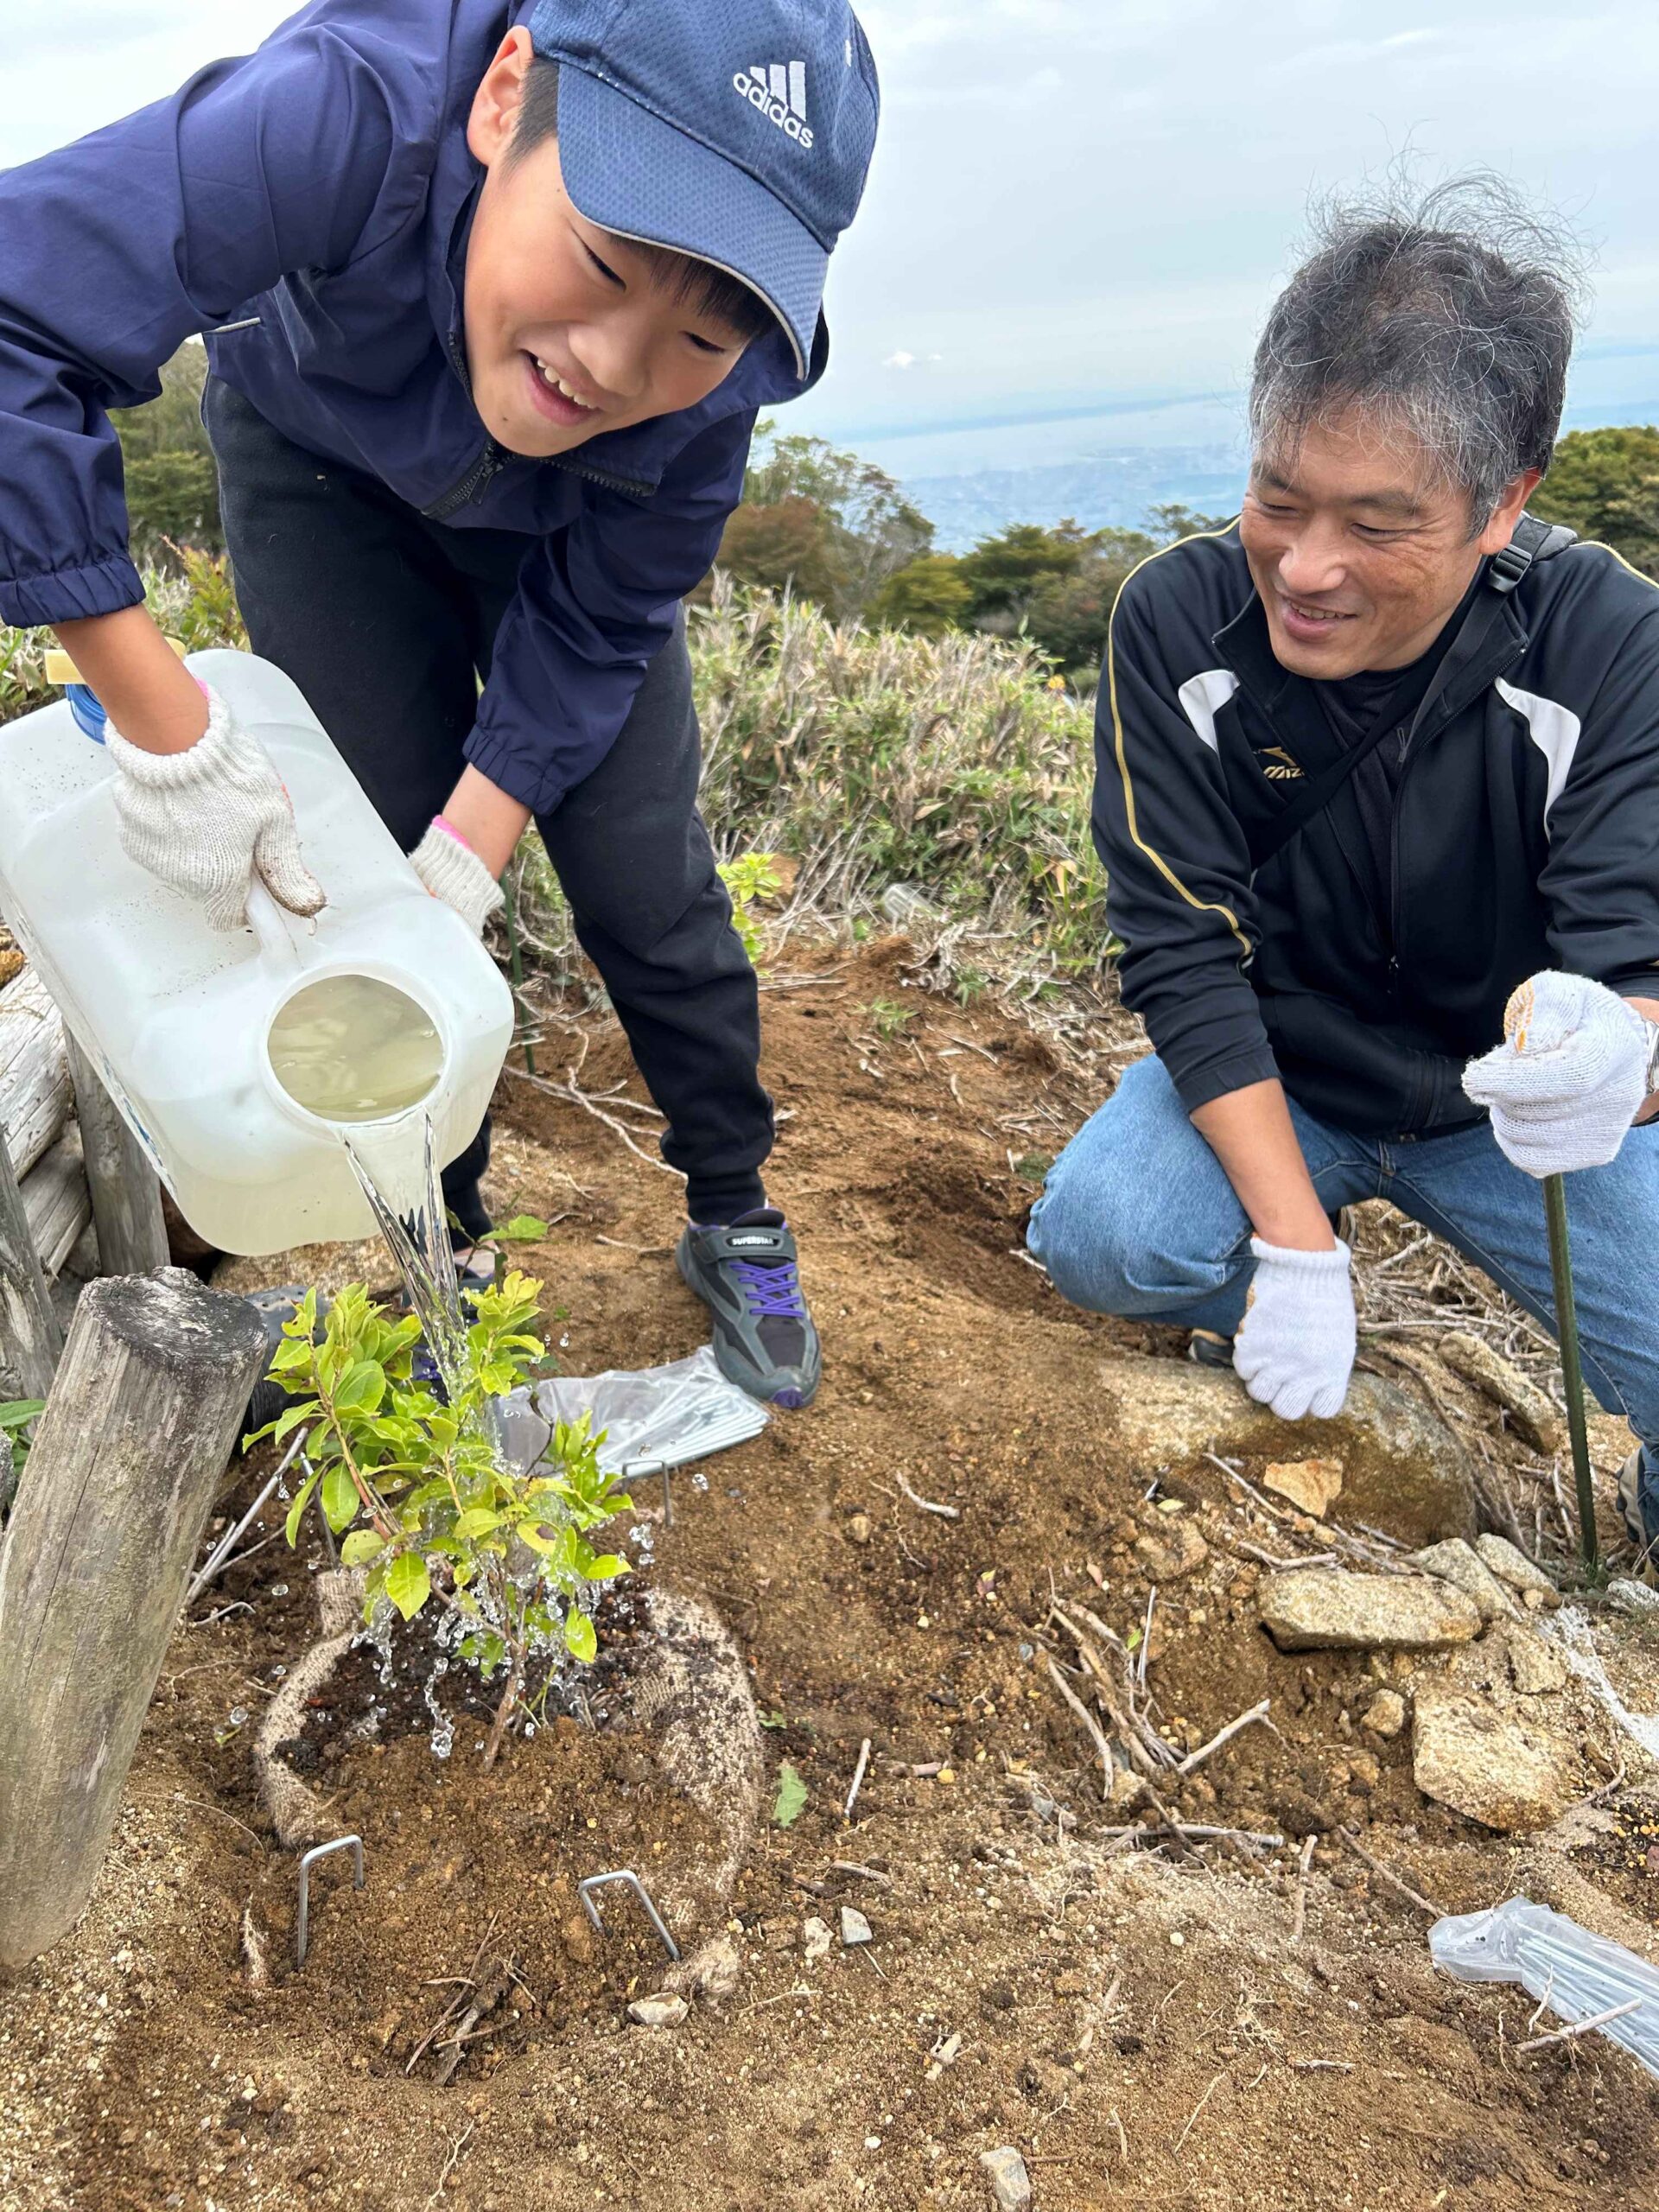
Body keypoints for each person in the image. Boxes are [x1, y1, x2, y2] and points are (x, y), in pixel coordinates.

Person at [0, 0, 881, 1409]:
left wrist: (470, 855)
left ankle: (736, 1206)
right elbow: (12, 307)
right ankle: (437, 1240)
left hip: (568, 513)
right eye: (601, 261)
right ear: (503, 96)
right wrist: (169, 733)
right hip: (323, 467)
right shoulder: (341, 111)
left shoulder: (706, 385)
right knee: (361, 851)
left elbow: (600, 621)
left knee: (647, 874)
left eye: (700, 334)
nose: (615, 361)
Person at [1027, 182, 1659, 1573]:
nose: (1303, 569)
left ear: (1504, 503)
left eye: (1378, 524)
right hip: (1287, 1075)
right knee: (1108, 1237)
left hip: (1508, 1115)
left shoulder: (1605, 640)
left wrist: (1617, 1057)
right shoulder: (1176, 621)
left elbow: (1638, 972)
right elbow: (1181, 947)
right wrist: (1300, 1246)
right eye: (1276, 497)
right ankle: (1259, 1295)